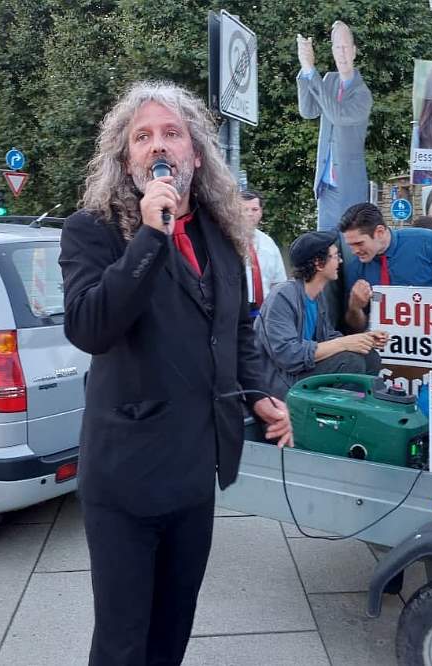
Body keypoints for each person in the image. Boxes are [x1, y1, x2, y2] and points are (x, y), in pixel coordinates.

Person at [59, 81, 293, 666]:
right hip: (126, 477)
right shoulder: (93, 231)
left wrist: (259, 392)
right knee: (122, 641)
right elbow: (90, 326)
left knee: (172, 630)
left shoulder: (222, 232)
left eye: (171, 133)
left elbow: (236, 328)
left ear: (195, 152)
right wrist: (149, 237)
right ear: (125, 156)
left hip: (195, 472)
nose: (157, 146)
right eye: (143, 136)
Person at [256, 230, 386, 399]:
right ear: (318, 263)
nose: (340, 261)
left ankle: (357, 413)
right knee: (350, 362)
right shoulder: (282, 296)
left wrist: (364, 339)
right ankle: (334, 419)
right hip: (279, 381)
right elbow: (288, 355)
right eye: (335, 256)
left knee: (370, 357)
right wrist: (344, 343)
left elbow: (327, 338)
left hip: (300, 373)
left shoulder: (318, 297)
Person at [296, 21, 373, 231]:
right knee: (325, 250)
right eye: (338, 47)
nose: (342, 53)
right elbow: (308, 110)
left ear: (355, 51)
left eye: (346, 47)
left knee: (350, 251)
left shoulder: (362, 94)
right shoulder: (328, 80)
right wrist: (305, 68)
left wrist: (313, 73)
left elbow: (337, 115)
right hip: (325, 186)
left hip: (349, 188)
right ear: (332, 51)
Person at [340, 202, 432, 332]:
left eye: (359, 243)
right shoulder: (355, 268)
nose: (354, 251)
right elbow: (356, 327)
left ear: (379, 232)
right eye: (350, 245)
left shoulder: (427, 242)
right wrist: (355, 307)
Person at [240, 189, 287, 318]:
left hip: (264, 313)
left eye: (254, 209)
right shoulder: (225, 240)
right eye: (245, 209)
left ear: (261, 212)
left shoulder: (269, 244)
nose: (250, 214)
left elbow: (278, 283)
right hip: (237, 313)